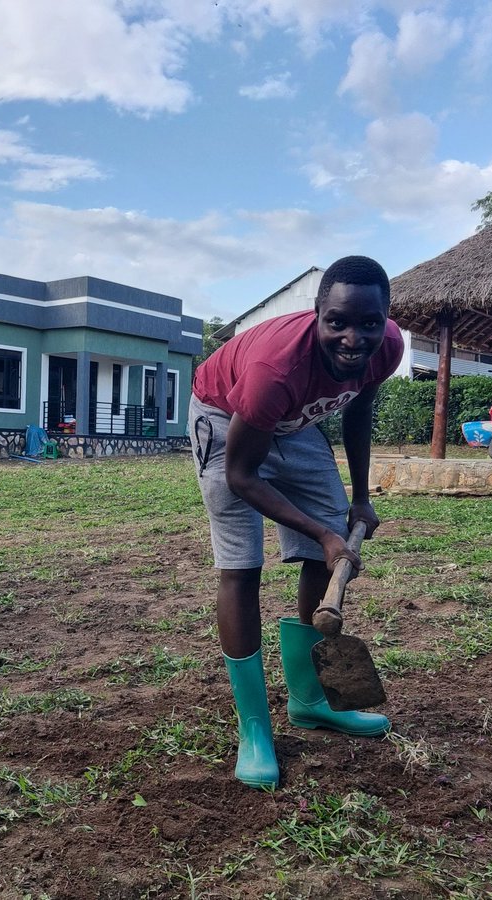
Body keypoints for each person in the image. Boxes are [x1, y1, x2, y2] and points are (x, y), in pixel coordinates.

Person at [188, 255, 403, 789]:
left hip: (294, 423)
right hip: (226, 419)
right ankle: (255, 728)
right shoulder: (274, 368)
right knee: (242, 566)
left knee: (319, 557)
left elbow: (358, 409)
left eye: (368, 323)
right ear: (317, 314)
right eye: (338, 323)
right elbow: (242, 474)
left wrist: (357, 500)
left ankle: (310, 700)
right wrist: (327, 533)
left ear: (385, 318)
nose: (354, 337)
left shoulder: (387, 348)